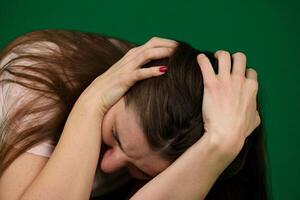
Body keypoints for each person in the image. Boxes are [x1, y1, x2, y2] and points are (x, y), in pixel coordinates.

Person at [0, 30, 268, 199]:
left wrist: (218, 146)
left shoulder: (207, 155)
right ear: (120, 87)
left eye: (139, 170)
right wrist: (92, 103)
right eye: (115, 134)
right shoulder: (42, 74)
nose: (108, 167)